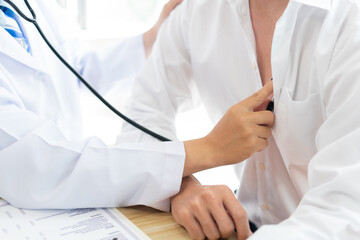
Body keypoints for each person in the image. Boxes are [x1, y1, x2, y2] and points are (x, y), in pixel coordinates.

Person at [0, 0, 275, 213]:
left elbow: (75, 68)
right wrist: (204, 153)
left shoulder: (31, 6)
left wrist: (151, 38)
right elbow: (33, 160)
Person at [121, 0, 360, 239]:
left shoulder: (350, 20)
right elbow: (140, 117)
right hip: (243, 227)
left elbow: (345, 215)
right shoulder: (196, 9)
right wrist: (180, 187)